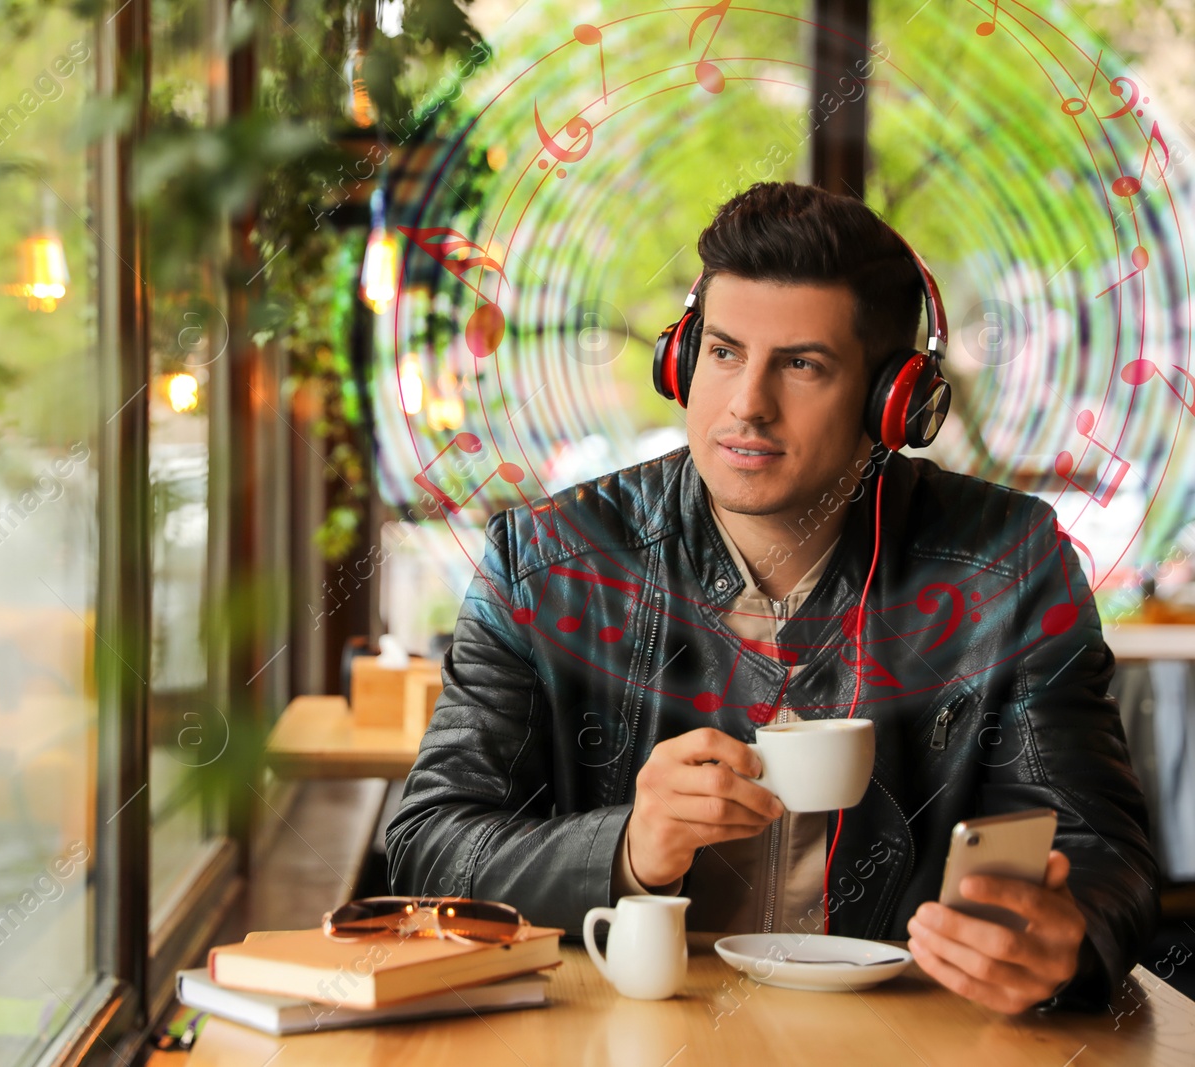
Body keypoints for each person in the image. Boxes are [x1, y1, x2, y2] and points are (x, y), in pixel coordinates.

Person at [384, 181, 1160, 1014]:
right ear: (681, 360)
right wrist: (627, 848)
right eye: (722, 352)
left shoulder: (1009, 564)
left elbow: (1101, 850)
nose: (746, 404)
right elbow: (429, 846)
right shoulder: (544, 561)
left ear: (892, 403)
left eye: (801, 364)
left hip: (901, 1041)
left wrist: (1063, 941)